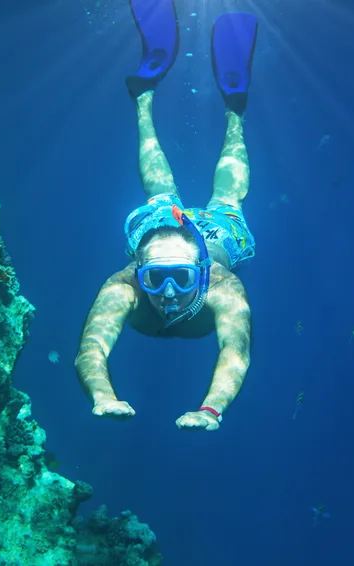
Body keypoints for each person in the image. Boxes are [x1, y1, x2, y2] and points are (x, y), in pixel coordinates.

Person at [75, 2, 259, 432]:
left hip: (211, 237)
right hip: (179, 230)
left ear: (201, 272)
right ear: (138, 274)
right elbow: (91, 349)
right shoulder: (123, 289)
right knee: (201, 198)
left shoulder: (223, 287)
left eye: (181, 277)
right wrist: (102, 396)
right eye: (156, 279)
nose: (170, 292)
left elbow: (237, 352)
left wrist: (211, 409)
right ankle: (149, 98)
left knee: (189, 195)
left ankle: (233, 113)